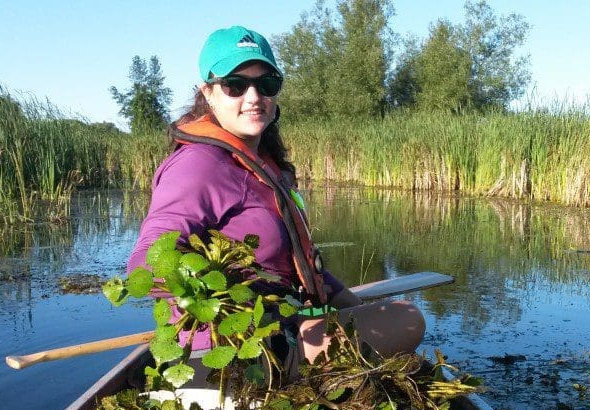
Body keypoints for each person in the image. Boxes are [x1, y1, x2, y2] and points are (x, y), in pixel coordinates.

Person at [127, 25, 425, 363]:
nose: (253, 97)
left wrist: (347, 300)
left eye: (266, 84)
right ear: (208, 93)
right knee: (408, 318)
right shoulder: (198, 165)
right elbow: (145, 265)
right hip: (235, 353)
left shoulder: (261, 163)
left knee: (389, 314)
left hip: (285, 327)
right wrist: (222, 302)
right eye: (235, 85)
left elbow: (293, 257)